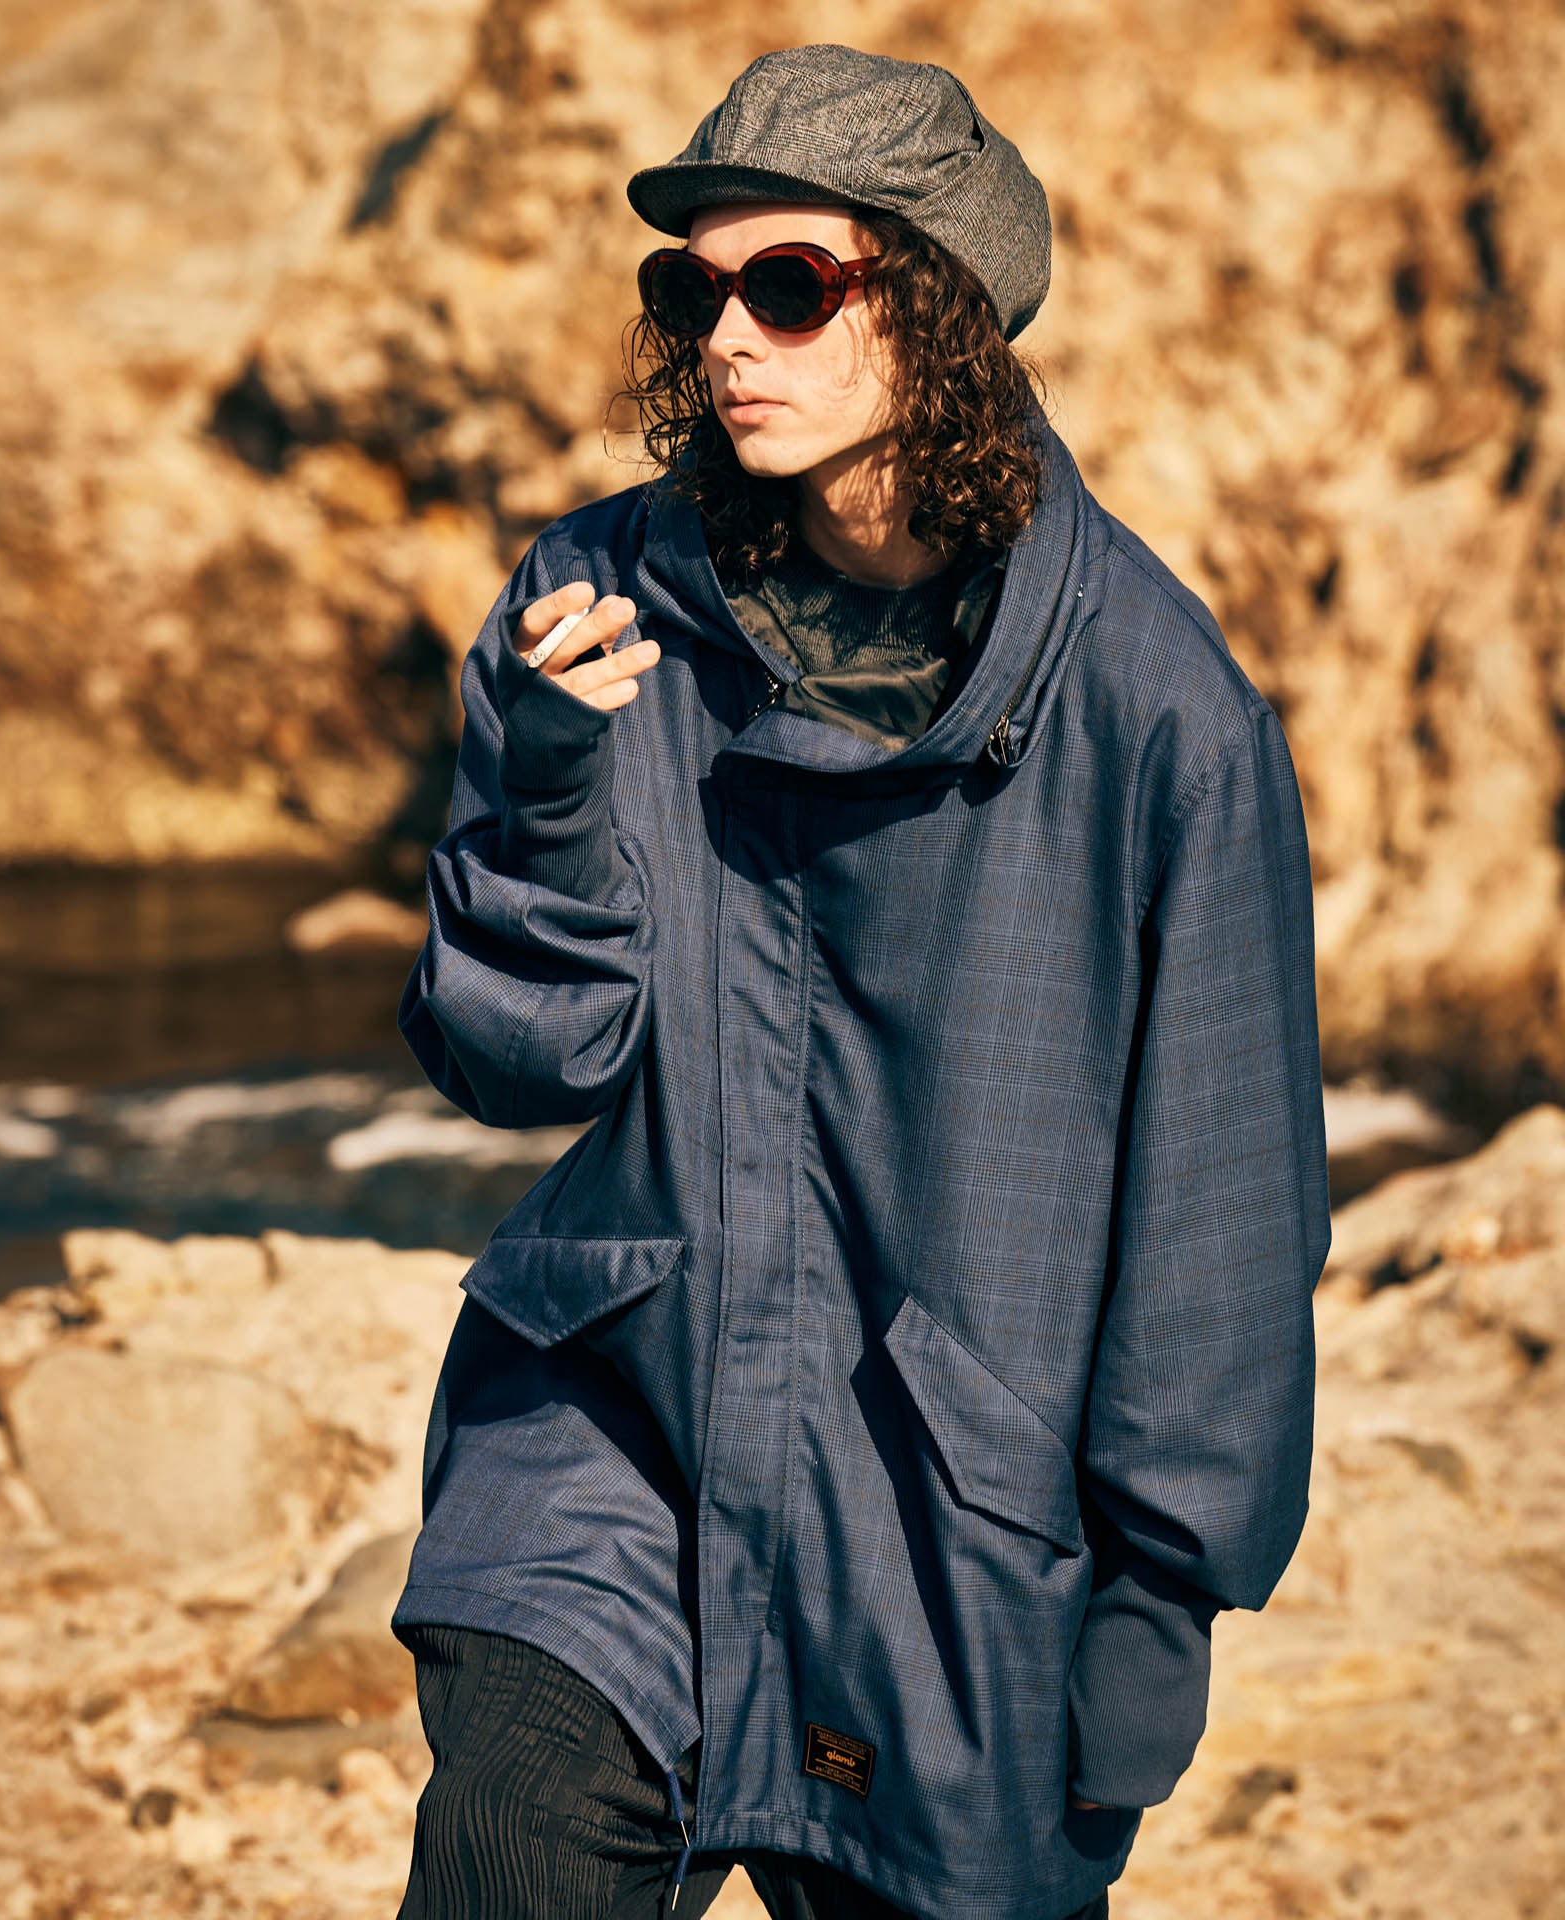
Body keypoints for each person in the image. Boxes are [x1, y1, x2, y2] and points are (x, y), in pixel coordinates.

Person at [390, 42, 1330, 1920]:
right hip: (611, 1432)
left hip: (943, 1525)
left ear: (941, 302)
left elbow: (1224, 1204)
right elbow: (518, 1065)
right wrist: (552, 789)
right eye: (695, 292)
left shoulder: (1163, 715)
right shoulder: (594, 610)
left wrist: (1161, 1600)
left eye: (791, 283)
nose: (729, 337)